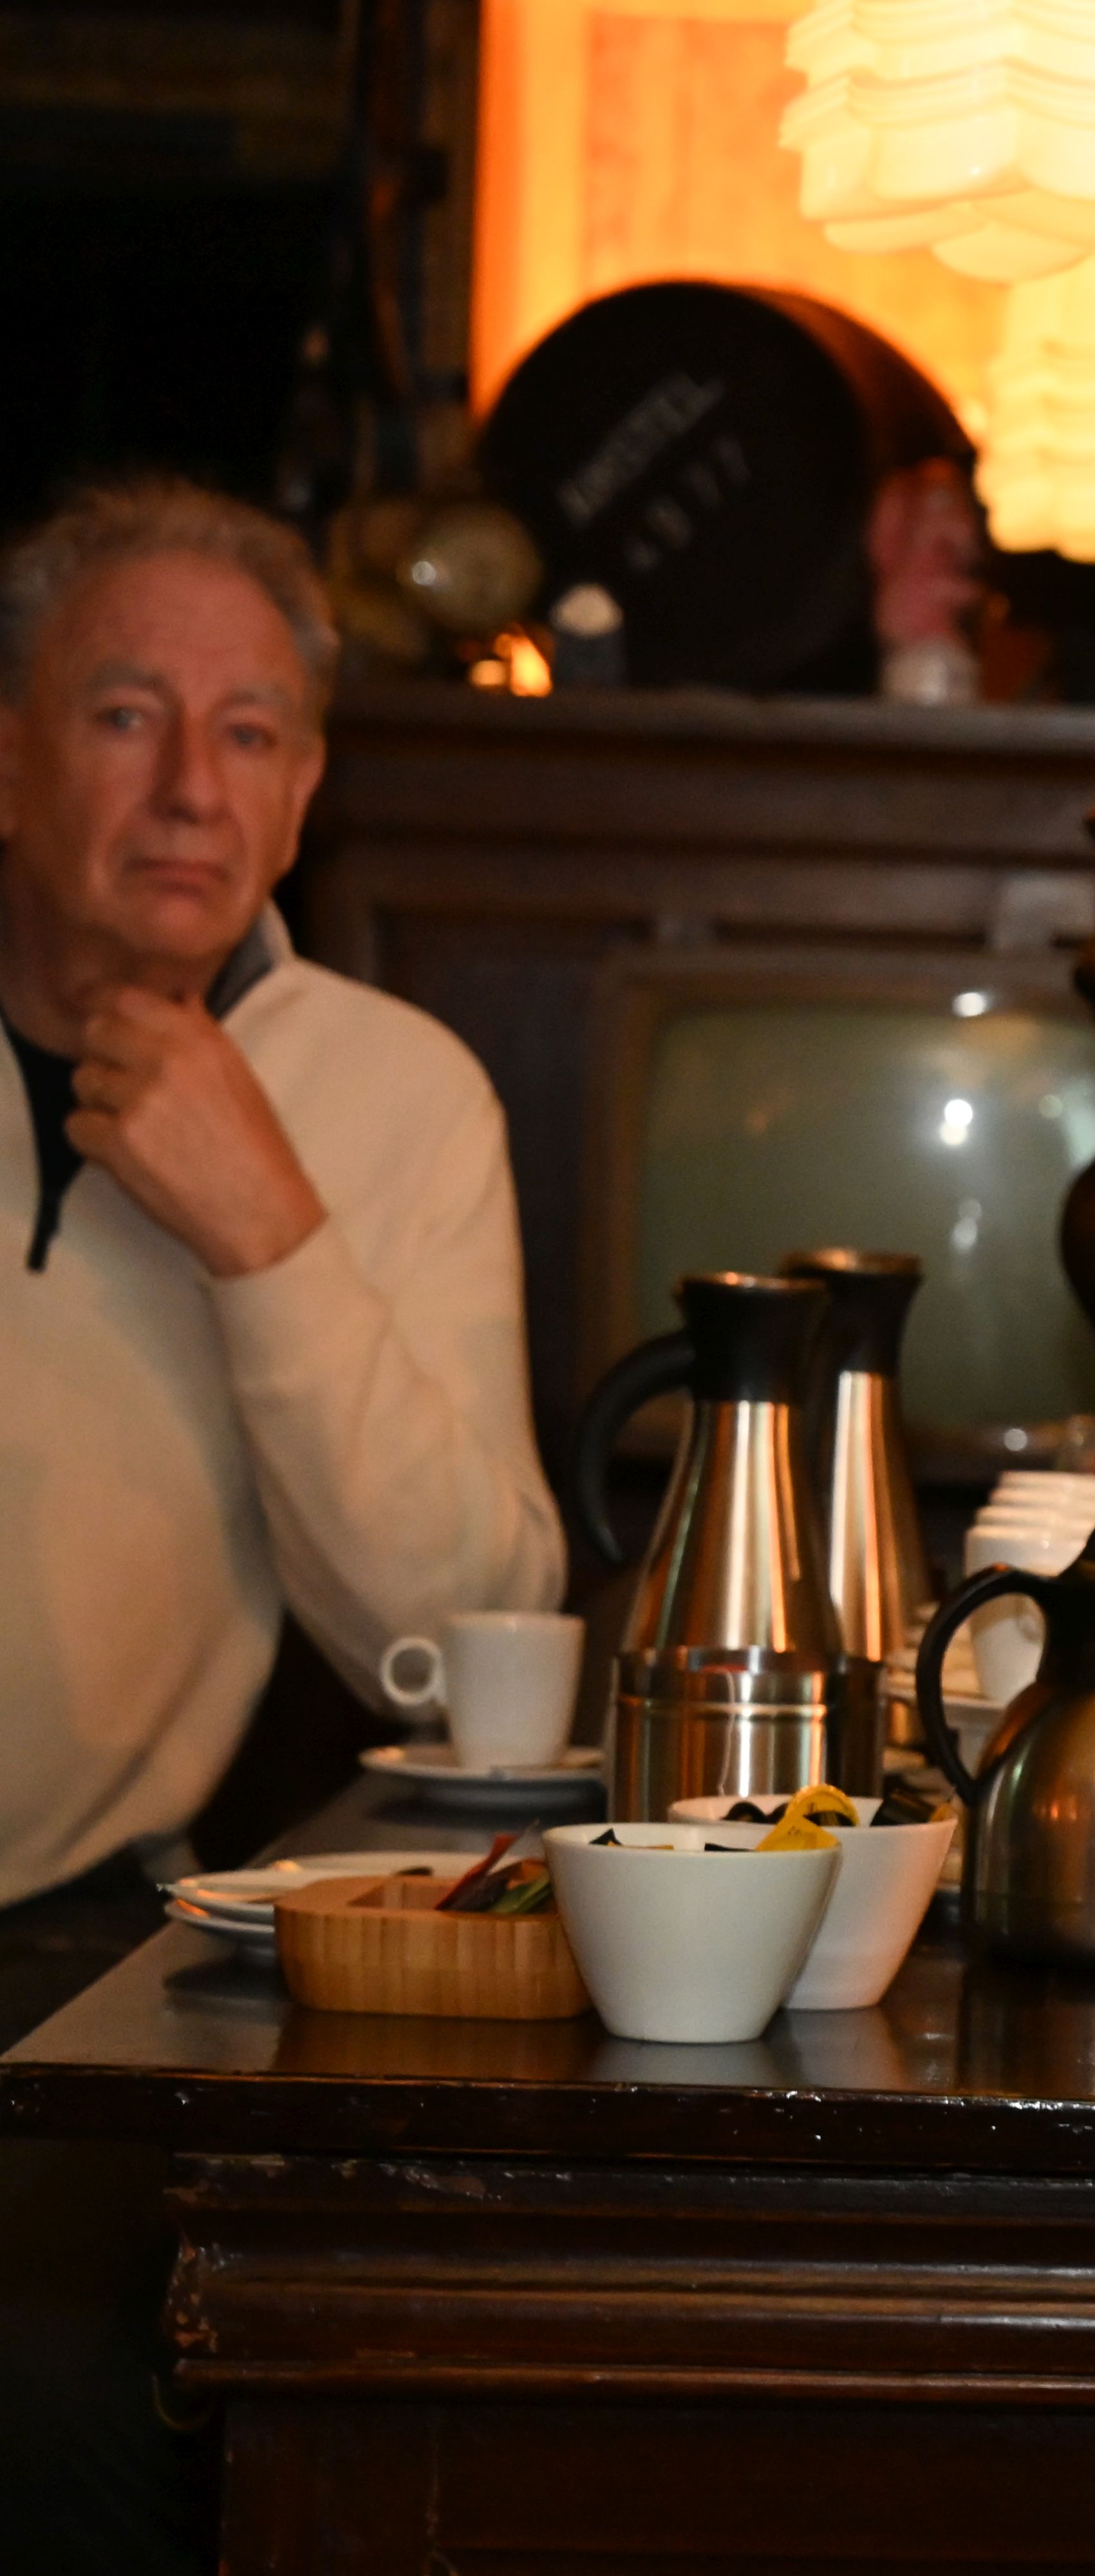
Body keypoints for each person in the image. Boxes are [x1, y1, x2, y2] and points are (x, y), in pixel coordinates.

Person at [0, 476, 563, 1989]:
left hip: (71, 1946)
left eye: (248, 734)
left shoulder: (404, 1094)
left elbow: (466, 1649)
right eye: (127, 716)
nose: (192, 786)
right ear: (8, 757)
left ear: (302, 793)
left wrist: (268, 1234)